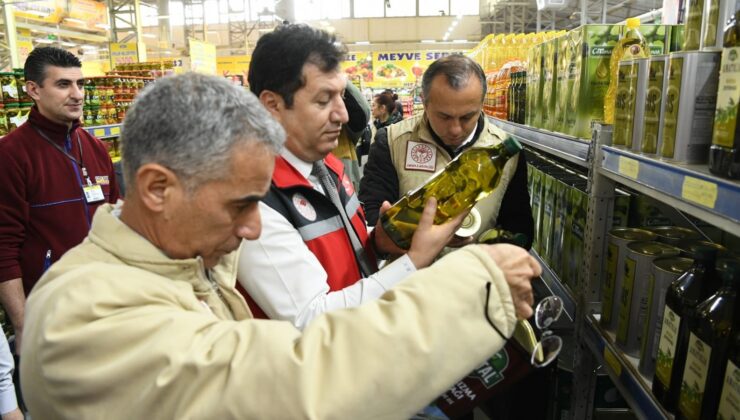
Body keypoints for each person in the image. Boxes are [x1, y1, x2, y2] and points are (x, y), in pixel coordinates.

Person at [20, 72, 540, 419]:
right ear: (158, 189)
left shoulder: (185, 265)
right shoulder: (84, 318)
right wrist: (478, 282)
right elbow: (296, 383)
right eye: (239, 205)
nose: (253, 230)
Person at [239, 24, 458, 329]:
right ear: (272, 105)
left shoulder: (327, 168)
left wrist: (379, 241)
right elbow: (311, 318)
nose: (342, 114)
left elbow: (344, 259)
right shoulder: (254, 200)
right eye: (323, 99)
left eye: (340, 95)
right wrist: (415, 261)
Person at [0, 47, 119, 354]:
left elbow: (118, 224)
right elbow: (4, 246)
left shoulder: (95, 148)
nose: (77, 94)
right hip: (50, 315)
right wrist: (24, 322)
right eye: (63, 84)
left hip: (106, 304)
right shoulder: (11, 155)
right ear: (33, 89)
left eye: (80, 84)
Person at [360, 54, 534, 247]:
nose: (455, 129)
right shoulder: (392, 141)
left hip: (476, 273)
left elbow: (519, 227)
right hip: (412, 275)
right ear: (425, 102)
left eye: (467, 117)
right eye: (444, 117)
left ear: (481, 104)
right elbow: (372, 216)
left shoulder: (507, 154)